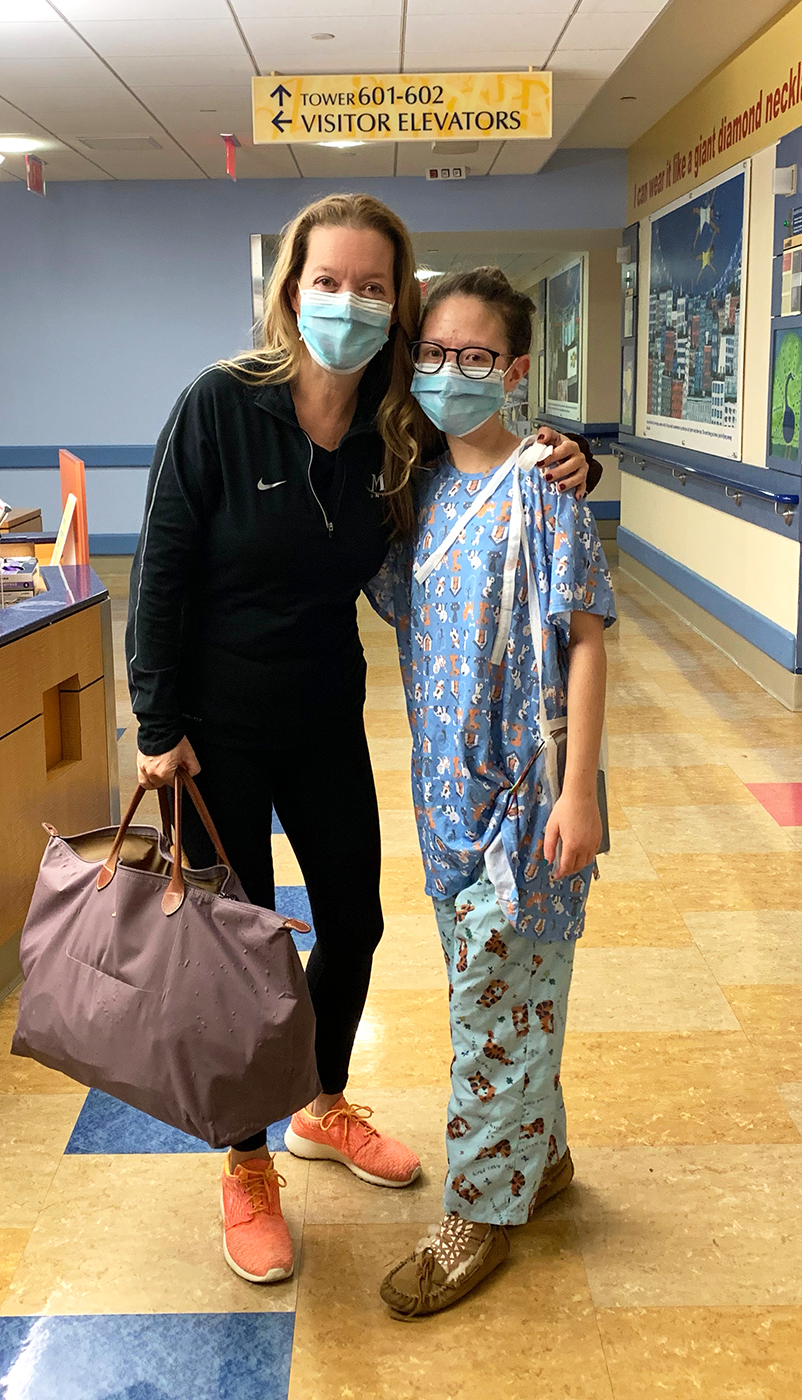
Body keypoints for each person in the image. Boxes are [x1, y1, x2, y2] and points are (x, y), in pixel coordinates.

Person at [126, 195, 601, 1288]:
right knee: (241, 950)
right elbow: (160, 564)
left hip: (324, 715)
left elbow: (503, 473)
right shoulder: (221, 405)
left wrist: (568, 457)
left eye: (373, 286)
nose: (348, 302)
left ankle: (322, 1101)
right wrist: (158, 724)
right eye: (327, 280)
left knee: (354, 918)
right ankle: (247, 1163)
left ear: (399, 305)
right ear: (292, 286)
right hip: (215, 733)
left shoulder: (401, 423)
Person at [367, 266, 616, 1318]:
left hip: (529, 796)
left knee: (490, 1003)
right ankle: (541, 1154)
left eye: (476, 358)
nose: (451, 373)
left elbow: (587, 637)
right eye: (433, 354)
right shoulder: (418, 492)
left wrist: (578, 791)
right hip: (444, 797)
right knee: (509, 991)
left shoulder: (544, 484)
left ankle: (480, 1208)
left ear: (515, 370)